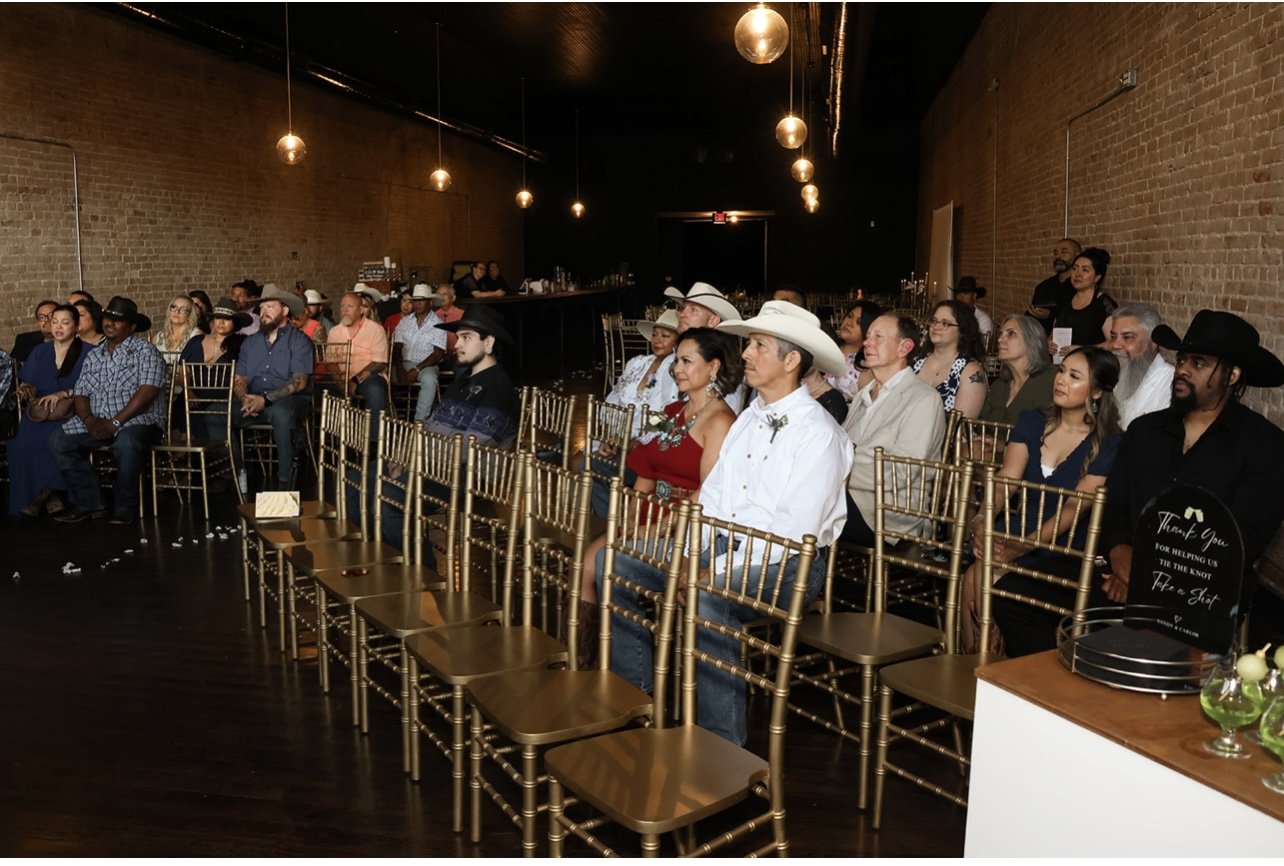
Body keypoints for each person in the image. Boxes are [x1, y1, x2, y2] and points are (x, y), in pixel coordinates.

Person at [602, 301, 851, 745]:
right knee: (617, 560)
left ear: (791, 361)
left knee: (707, 596)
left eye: (758, 345)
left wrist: (706, 570)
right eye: (749, 343)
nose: (748, 354)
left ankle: (720, 745)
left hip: (789, 563)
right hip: (722, 542)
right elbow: (713, 498)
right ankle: (635, 694)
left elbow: (792, 535)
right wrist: (685, 549)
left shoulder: (818, 434)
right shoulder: (748, 419)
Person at [1099, 310, 1284, 621]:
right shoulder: (1144, 431)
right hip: (1122, 575)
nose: (1182, 370)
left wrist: (1149, 574)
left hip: (1208, 592)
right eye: (1182, 359)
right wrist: (1119, 552)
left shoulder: (1266, 446)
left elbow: (1243, 538)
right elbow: (1114, 501)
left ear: (1232, 375)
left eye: (1198, 363)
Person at [577, 326, 740, 634]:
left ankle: (617, 658)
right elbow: (646, 465)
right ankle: (587, 654)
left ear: (713, 366)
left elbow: (707, 492)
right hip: (650, 509)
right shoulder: (669, 411)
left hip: (682, 524)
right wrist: (630, 512)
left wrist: (657, 528)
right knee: (585, 564)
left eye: (686, 362)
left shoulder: (721, 420)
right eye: (676, 361)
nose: (677, 369)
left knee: (604, 565)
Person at [969, 347, 1122, 656]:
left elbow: (1073, 507)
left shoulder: (1111, 442)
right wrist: (984, 518)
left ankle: (987, 667)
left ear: (1096, 391)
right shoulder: (1032, 420)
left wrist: (1024, 546)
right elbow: (1007, 479)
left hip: (1065, 548)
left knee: (980, 576)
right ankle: (977, 666)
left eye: (1074, 376)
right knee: (975, 573)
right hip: (1018, 529)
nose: (1061, 380)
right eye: (1062, 370)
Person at [50, 297, 167, 525]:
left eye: (118, 320)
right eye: (108, 318)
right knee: (59, 440)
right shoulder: (95, 355)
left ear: (132, 327)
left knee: (126, 443)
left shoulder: (146, 351)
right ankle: (91, 502)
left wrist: (114, 422)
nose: (110, 323)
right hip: (98, 419)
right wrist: (88, 420)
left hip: (140, 421)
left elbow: (147, 394)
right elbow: (81, 393)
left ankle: (124, 506)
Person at [840, 314, 948, 546]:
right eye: (867, 337)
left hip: (889, 514)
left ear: (904, 347)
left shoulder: (923, 399)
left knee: (807, 503)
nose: (867, 343)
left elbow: (902, 473)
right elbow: (841, 448)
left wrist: (836, 477)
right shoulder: (865, 392)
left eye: (878, 337)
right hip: (848, 497)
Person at [8, 304, 88, 517]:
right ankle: (50, 494)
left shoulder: (89, 352)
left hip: (74, 411)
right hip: (41, 411)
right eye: (54, 322)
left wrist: (64, 394)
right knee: (21, 444)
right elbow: (29, 382)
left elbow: (96, 386)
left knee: (53, 441)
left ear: (77, 326)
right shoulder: (40, 351)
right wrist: (26, 389)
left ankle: (43, 495)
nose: (58, 327)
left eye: (65, 322)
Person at [231, 284, 313, 491]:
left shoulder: (300, 341)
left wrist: (265, 400)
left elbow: (299, 382)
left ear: (285, 311)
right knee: (213, 413)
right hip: (253, 399)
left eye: (270, 306)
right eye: (262, 308)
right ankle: (236, 471)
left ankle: (285, 480)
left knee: (281, 413)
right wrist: (244, 398)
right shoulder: (250, 343)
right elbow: (240, 378)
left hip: (289, 400)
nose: (263, 312)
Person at [426, 305, 520, 449]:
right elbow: (431, 425)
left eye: (466, 337)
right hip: (429, 461)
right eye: (458, 337)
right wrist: (404, 454)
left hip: (462, 469)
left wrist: (416, 456)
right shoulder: (463, 379)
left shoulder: (498, 389)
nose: (457, 344)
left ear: (488, 342)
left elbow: (469, 450)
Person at [327, 291, 390, 437]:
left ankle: (374, 444)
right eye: (342, 306)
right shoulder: (335, 332)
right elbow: (331, 362)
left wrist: (355, 380)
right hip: (341, 378)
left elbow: (379, 362)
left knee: (375, 391)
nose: (345, 310)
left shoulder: (375, 329)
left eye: (350, 306)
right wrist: (342, 382)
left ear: (361, 310)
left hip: (368, 377)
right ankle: (333, 441)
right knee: (317, 390)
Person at [911, 299, 988, 417]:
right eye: (934, 321)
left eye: (945, 323)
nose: (936, 327)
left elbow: (961, 426)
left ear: (962, 330)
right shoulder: (916, 361)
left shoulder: (970, 370)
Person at [979, 315, 1055, 425]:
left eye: (1011, 334)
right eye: (1000, 334)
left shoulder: (1051, 381)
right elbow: (981, 425)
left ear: (1032, 340)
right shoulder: (998, 386)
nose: (1000, 340)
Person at [1108, 303, 1173, 429]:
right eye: (1113, 337)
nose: (1115, 345)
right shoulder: (1113, 375)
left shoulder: (1169, 384)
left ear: (1153, 342)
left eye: (1127, 337)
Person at [392, 283, 448, 422]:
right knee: (382, 379)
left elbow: (438, 354)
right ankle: (392, 419)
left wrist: (416, 370)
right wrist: (400, 369)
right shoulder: (404, 322)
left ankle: (419, 423)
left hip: (426, 365)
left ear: (430, 302)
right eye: (415, 300)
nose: (417, 304)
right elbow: (397, 347)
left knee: (430, 381)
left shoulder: (438, 323)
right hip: (403, 363)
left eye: (421, 300)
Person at [1049, 246, 1117, 352]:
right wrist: (1049, 343)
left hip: (1092, 365)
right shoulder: (1064, 300)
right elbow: (1054, 334)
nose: (1077, 274)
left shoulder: (1104, 305)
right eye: (1075, 268)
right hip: (1063, 364)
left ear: (1097, 277)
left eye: (1085, 270)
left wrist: (1082, 349)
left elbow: (1114, 343)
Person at [827, 299, 884, 401]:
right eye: (850, 316)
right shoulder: (827, 347)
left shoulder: (865, 366)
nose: (849, 323)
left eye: (858, 322)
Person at [1027, 237, 1081, 333]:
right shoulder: (1043, 286)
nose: (1058, 256)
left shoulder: (1080, 286)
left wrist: (1051, 314)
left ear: (1077, 256)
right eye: (1056, 253)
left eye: (1064, 252)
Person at [181, 297, 248, 365]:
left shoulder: (242, 344)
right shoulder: (196, 341)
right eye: (218, 317)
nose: (221, 322)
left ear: (235, 322)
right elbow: (182, 370)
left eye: (227, 318)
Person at [152, 295, 202, 364]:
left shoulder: (196, 336)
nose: (176, 311)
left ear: (190, 314)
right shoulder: (158, 337)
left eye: (182, 309)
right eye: (174, 307)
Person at [433, 282, 464, 355]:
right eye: (439, 295)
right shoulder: (433, 316)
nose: (441, 297)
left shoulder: (461, 314)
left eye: (444, 294)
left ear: (453, 298)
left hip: (457, 354)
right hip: (437, 355)